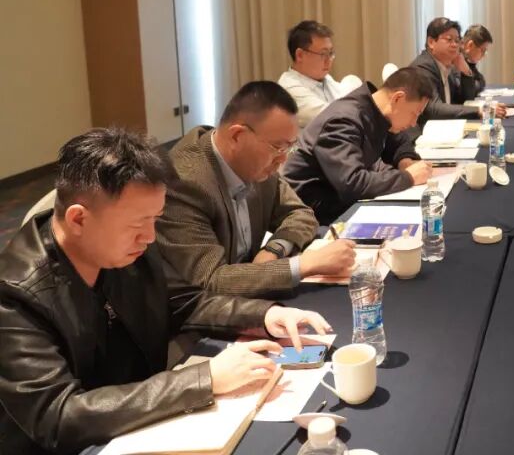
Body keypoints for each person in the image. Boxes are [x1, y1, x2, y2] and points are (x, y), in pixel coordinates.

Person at [0, 128, 331, 455]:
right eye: (136, 225)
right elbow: (57, 416)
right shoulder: (15, 295)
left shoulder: (125, 246)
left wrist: (265, 315)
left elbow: (184, 301)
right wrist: (203, 380)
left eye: (155, 219)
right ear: (78, 220)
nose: (149, 237)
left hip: (138, 424)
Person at [158, 81, 357, 297]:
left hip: (251, 295)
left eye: (289, 147)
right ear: (237, 136)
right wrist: (303, 265)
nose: (282, 160)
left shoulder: (255, 164)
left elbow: (301, 214)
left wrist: (274, 250)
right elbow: (211, 281)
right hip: (204, 310)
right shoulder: (185, 182)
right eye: (278, 147)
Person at [283, 67, 435, 224]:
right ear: (397, 98)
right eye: (415, 113)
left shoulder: (376, 110)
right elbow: (352, 183)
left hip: (338, 201)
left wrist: (405, 160)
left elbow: (398, 141)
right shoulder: (343, 121)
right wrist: (409, 177)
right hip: (311, 214)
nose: (413, 123)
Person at [408, 17, 506, 122]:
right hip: (425, 130)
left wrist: (466, 72)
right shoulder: (423, 68)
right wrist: (480, 110)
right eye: (449, 39)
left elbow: (465, 99)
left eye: (457, 40)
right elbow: (434, 109)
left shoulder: (446, 67)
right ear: (431, 42)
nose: (455, 45)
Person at [278, 20, 363, 128]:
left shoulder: (325, 78)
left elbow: (346, 98)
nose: (329, 60)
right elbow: (334, 118)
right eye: (323, 54)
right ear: (300, 55)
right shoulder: (288, 89)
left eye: (331, 53)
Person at [461, 24, 495, 98]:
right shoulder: (458, 61)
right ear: (470, 45)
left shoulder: (469, 61)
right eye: (483, 50)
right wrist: (476, 85)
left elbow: (481, 80)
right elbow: (469, 92)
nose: (484, 55)